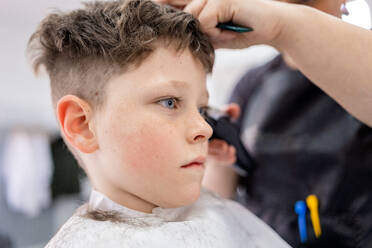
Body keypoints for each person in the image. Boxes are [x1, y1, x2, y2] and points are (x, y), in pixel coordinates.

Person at [27, 0, 292, 247]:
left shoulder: (214, 214)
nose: (205, 128)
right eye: (170, 102)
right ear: (82, 124)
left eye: (201, 109)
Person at [157, 0, 372, 247]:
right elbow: (217, 193)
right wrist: (212, 157)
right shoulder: (252, 85)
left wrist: (283, 26)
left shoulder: (362, 71)